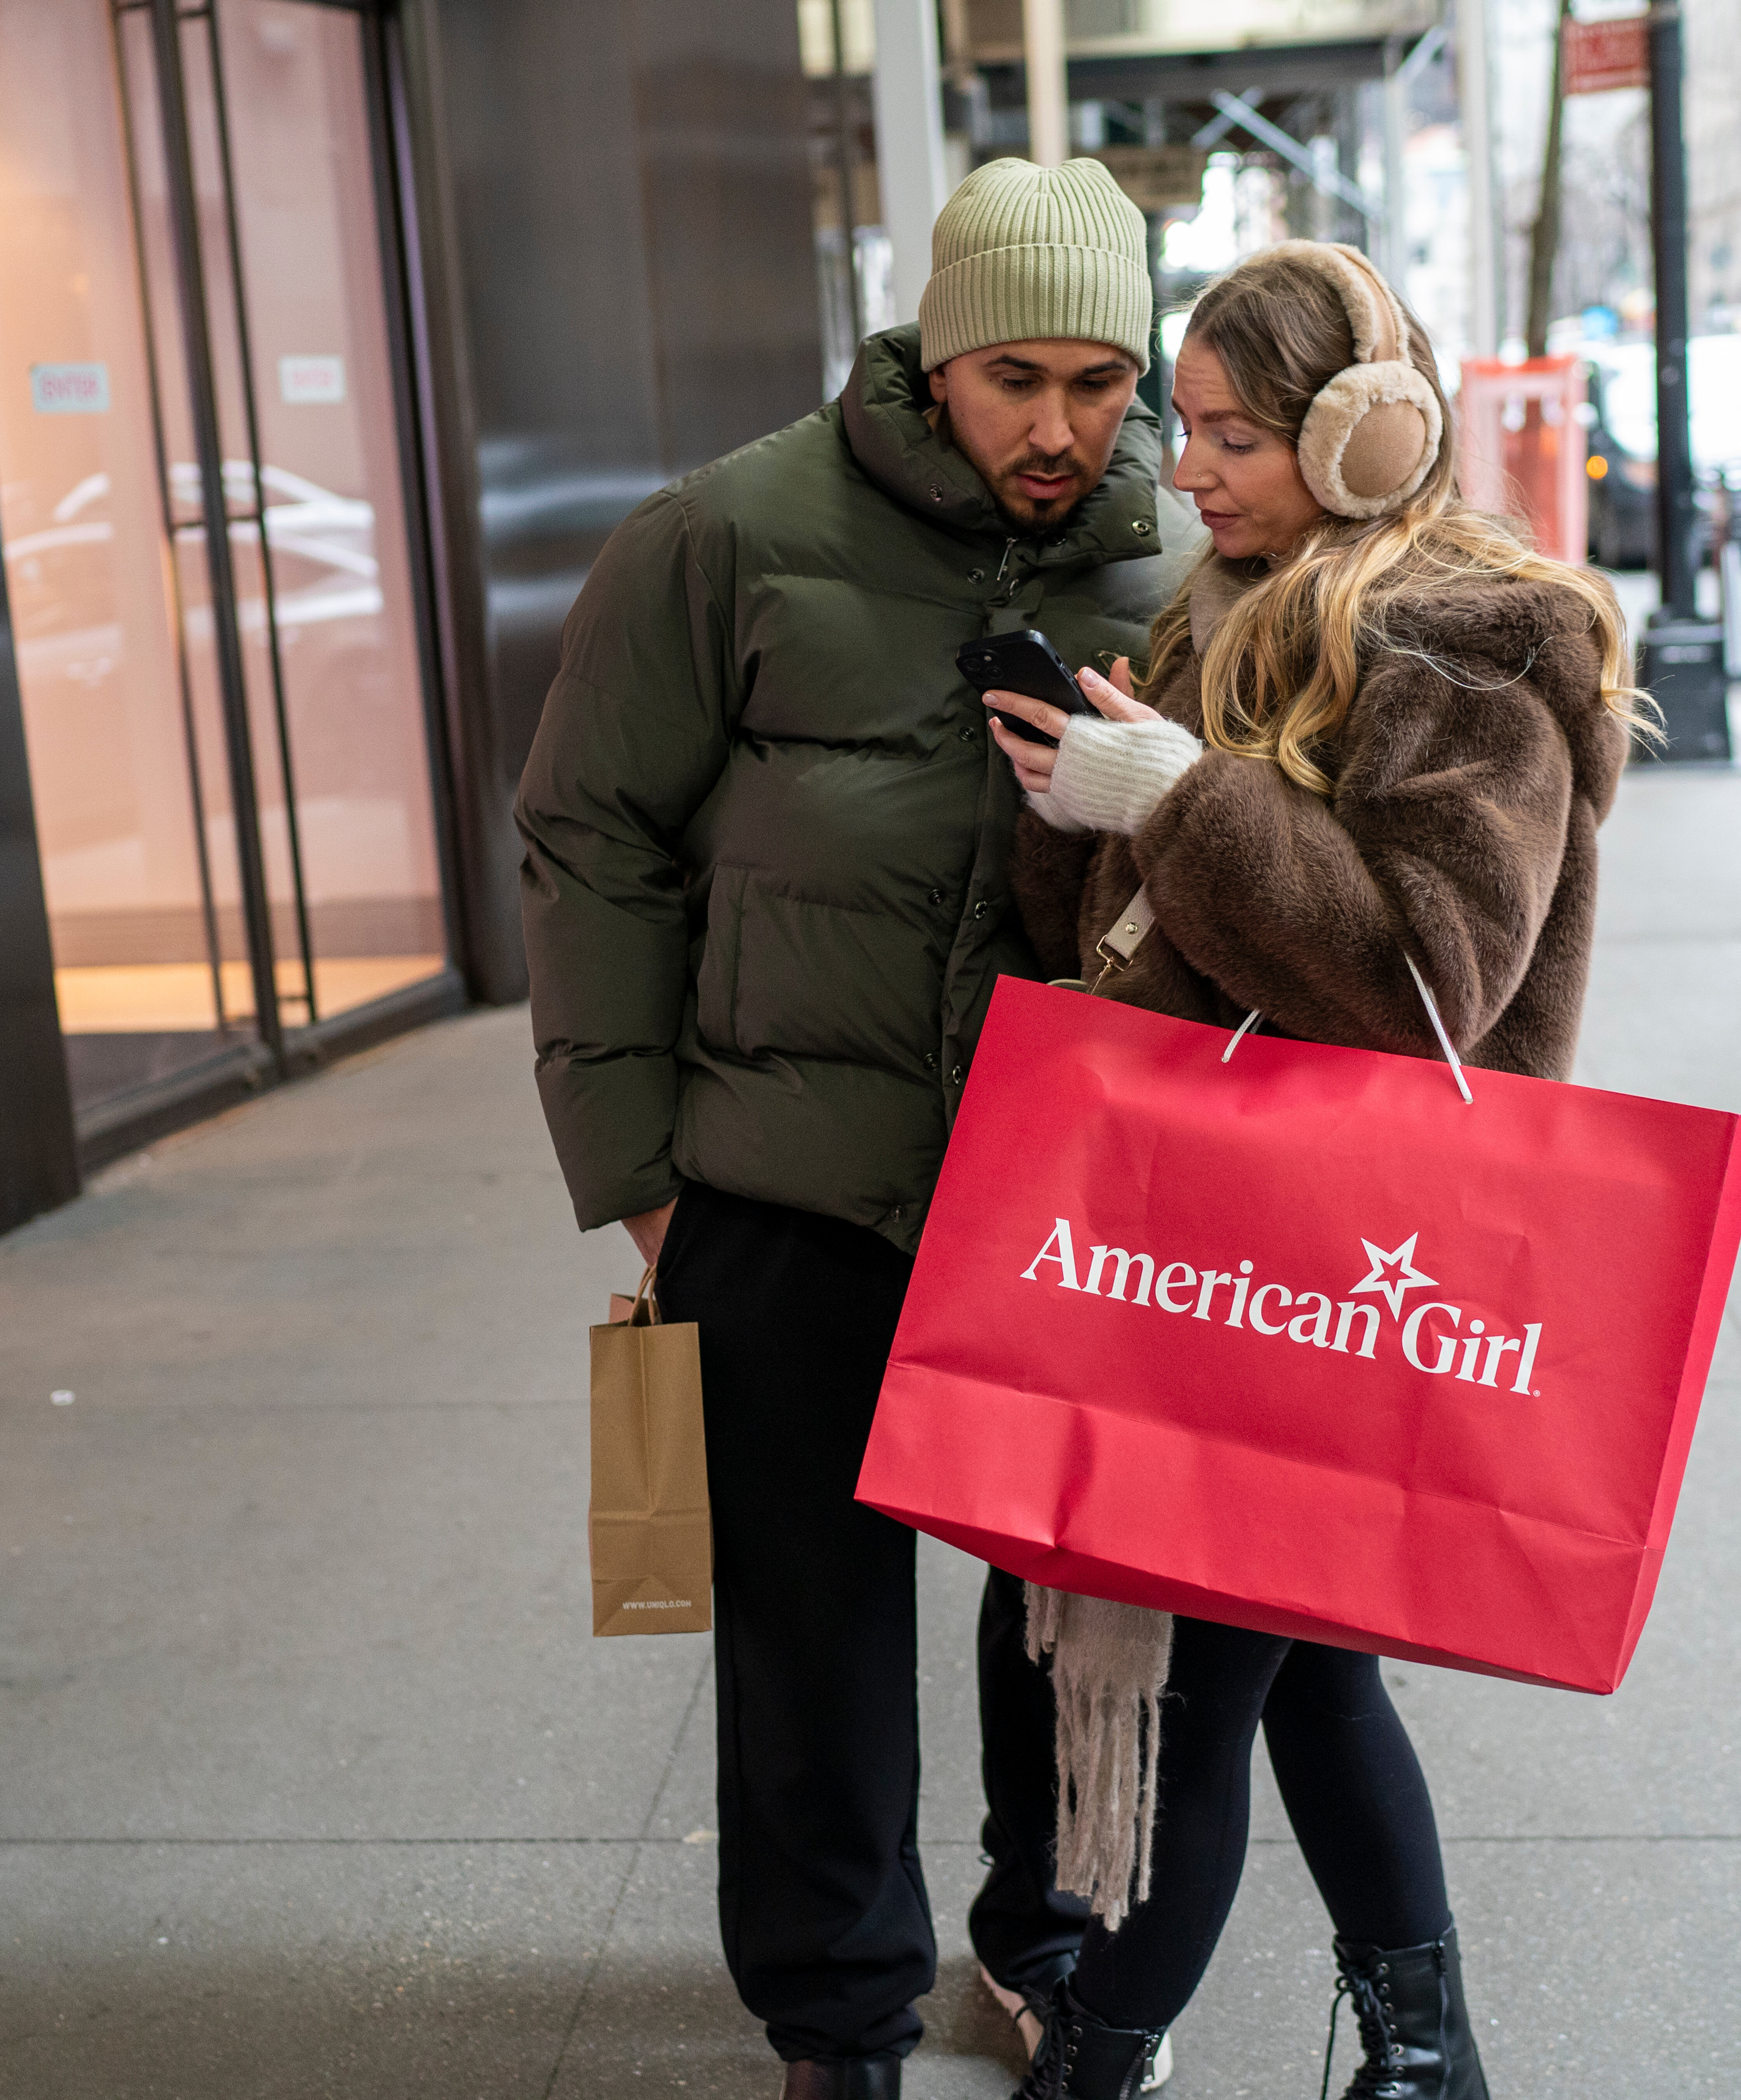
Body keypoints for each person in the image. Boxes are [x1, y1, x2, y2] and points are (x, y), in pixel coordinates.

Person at [515, 157, 1200, 2100]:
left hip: (1060, 1194)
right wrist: (637, 1171)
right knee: (803, 1632)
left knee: (1057, 1607)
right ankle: (834, 2012)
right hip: (782, 1185)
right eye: (1013, 382)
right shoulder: (726, 533)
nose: (1058, 428)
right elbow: (590, 838)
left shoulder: (1176, 558)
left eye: (1098, 379)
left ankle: (1039, 1935)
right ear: (928, 358)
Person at [982, 241, 1647, 2100]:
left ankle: (1095, 2064)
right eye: (1183, 428)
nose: (1185, 469)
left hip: (1348, 1266)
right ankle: (1427, 2063)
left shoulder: (1472, 645)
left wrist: (1181, 797)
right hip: (1217, 1246)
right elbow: (1140, 935)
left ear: (1369, 431)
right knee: (1315, 1678)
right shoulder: (1232, 605)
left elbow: (1424, 976)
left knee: (1206, 1696)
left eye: (1234, 433)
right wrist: (1075, 798)